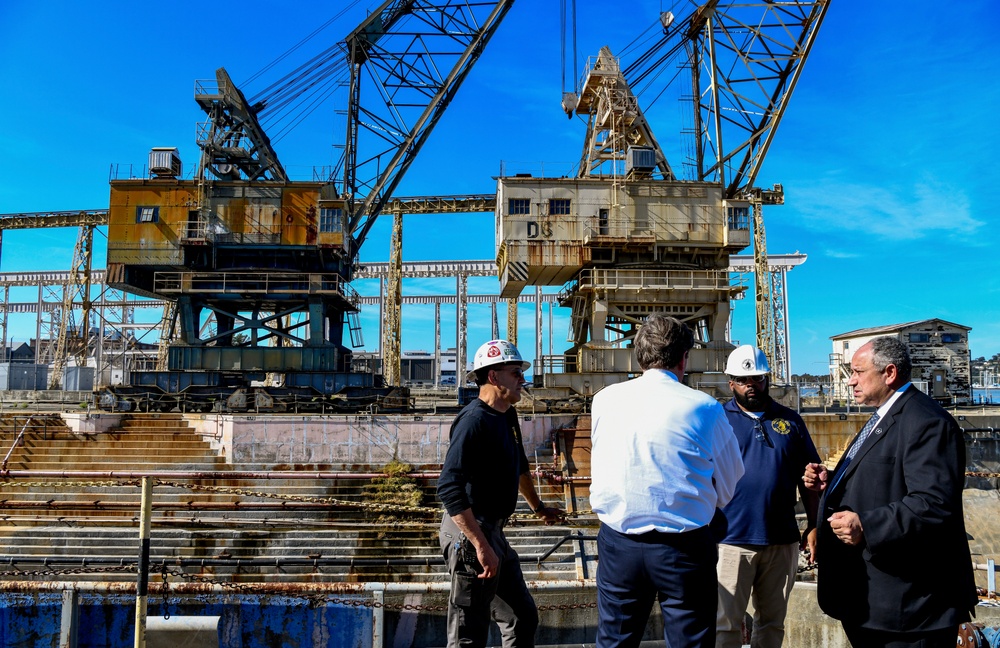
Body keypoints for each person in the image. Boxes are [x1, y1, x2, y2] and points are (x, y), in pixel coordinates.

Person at [802, 337, 976, 648]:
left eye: (857, 371)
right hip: (873, 603)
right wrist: (834, 480)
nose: (851, 380)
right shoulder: (885, 415)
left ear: (889, 373)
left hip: (909, 610)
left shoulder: (926, 422)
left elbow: (932, 504)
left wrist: (865, 525)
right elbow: (884, 477)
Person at [589, 314, 744, 648]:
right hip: (684, 547)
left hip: (619, 544)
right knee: (690, 642)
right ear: (684, 358)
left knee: (615, 641)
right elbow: (730, 481)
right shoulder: (704, 406)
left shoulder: (603, 399)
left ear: (639, 355)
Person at [437, 339, 563, 648]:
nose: (523, 379)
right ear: (494, 377)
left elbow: (519, 466)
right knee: (469, 632)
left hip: (492, 531)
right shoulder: (473, 421)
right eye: (516, 372)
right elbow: (449, 487)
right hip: (471, 535)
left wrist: (538, 507)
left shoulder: (506, 415)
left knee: (521, 616)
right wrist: (480, 545)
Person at [714, 345, 821, 648]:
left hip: (781, 541)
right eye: (743, 379)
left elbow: (810, 478)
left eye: (758, 378)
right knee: (725, 626)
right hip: (730, 542)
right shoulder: (718, 421)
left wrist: (814, 526)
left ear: (767, 378)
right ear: (730, 382)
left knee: (772, 624)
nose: (752, 385)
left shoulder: (791, 422)